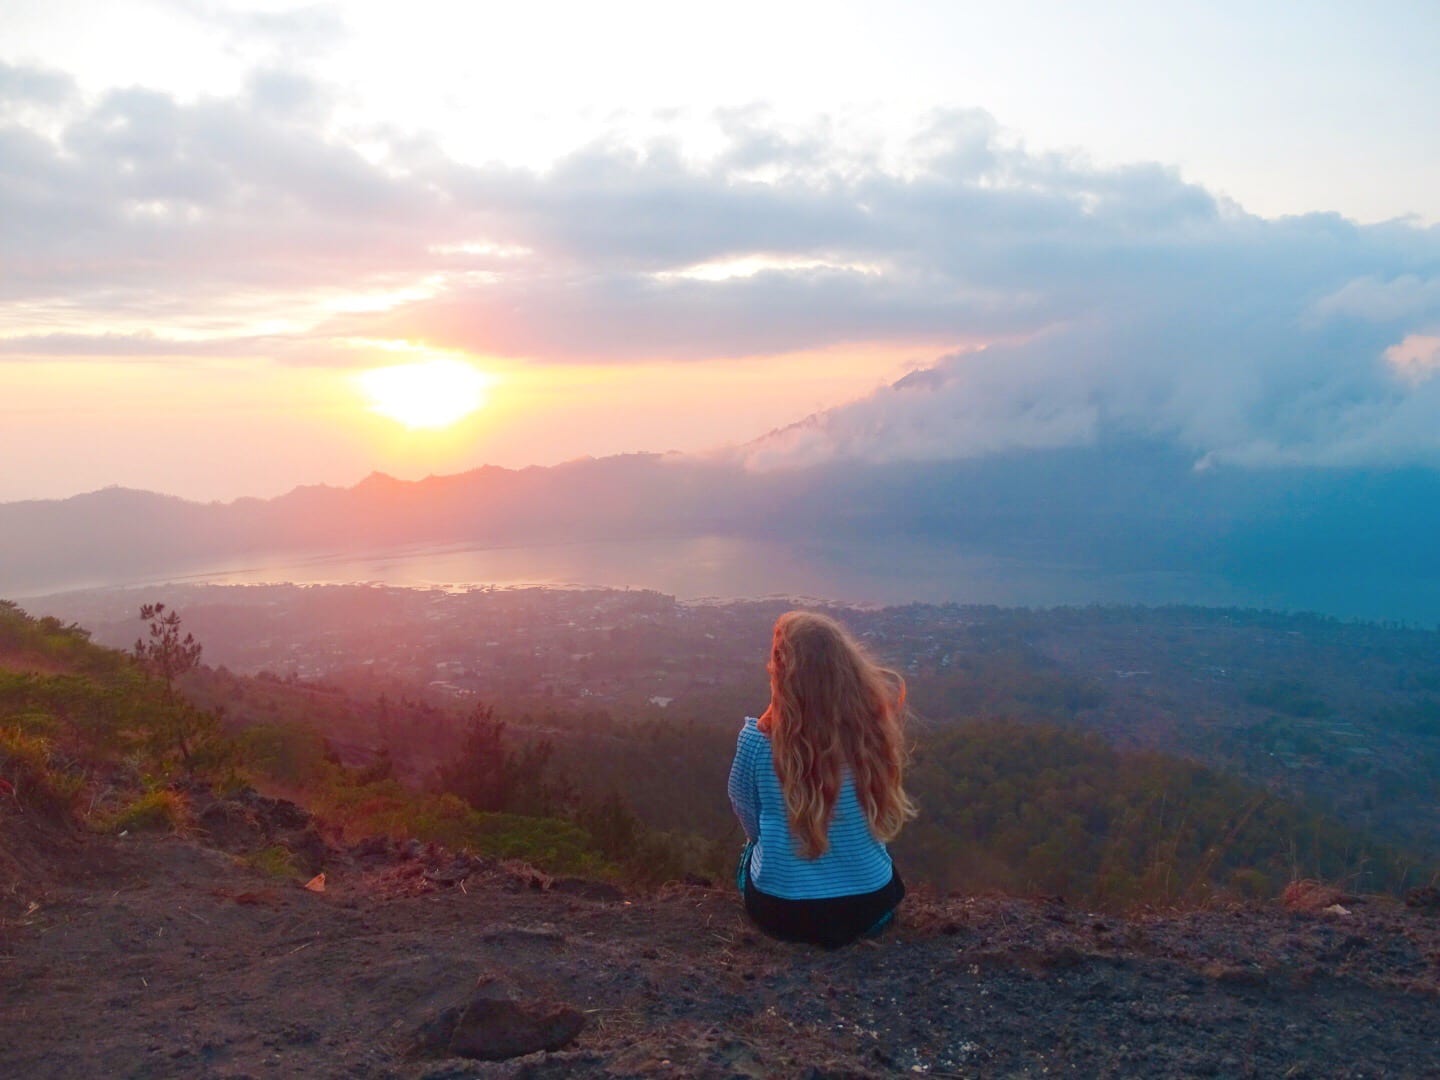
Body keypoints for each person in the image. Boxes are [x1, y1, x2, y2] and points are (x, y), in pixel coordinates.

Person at [727, 610, 917, 948]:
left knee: (751, 850)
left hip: (782, 915)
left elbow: (750, 823)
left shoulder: (756, 742)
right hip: (871, 909)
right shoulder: (869, 734)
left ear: (780, 672)